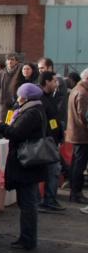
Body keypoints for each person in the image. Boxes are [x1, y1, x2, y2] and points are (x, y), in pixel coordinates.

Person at [0, 82, 49, 251]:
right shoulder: (36, 109)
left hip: (27, 163)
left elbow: (16, 133)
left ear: (25, 97)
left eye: (19, 95)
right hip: (30, 163)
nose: (17, 98)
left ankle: (28, 239)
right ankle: (27, 238)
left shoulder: (30, 113)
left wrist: (1, 126)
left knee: (27, 203)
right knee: (27, 202)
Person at [38, 70, 66, 211]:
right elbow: (45, 122)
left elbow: (53, 120)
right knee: (53, 170)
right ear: (47, 82)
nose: (57, 83)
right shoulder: (41, 99)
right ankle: (48, 200)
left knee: (53, 170)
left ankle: (49, 199)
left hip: (52, 140)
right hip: (46, 142)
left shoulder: (50, 97)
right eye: (54, 81)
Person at [68, 68, 88, 206]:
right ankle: (76, 192)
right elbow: (84, 115)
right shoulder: (83, 92)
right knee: (79, 165)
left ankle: (74, 191)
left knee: (76, 163)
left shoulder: (77, 88)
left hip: (76, 133)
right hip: (82, 134)